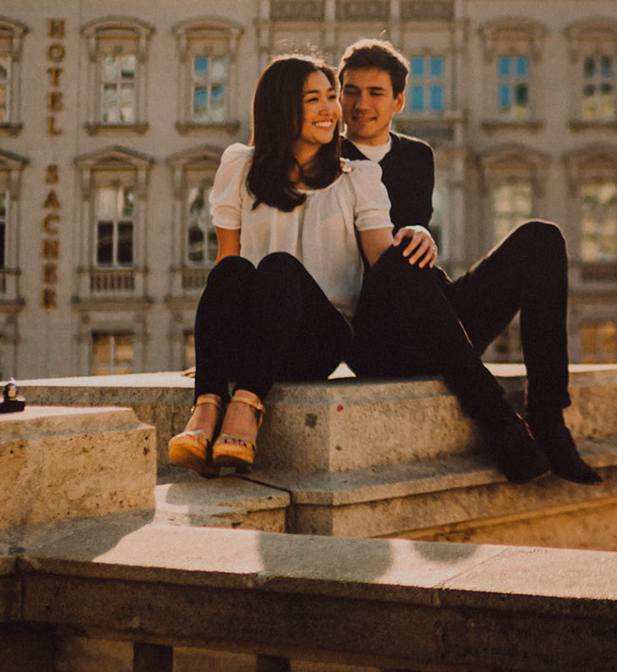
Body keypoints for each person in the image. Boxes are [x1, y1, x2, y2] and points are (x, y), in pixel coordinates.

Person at [169, 53, 567, 484]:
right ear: (280, 107)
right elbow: (227, 263)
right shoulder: (239, 167)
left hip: (324, 336)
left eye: (330, 97)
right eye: (315, 99)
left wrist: (413, 239)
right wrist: (216, 352)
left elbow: (387, 268)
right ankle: (205, 411)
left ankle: (246, 412)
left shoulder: (357, 176)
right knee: (237, 271)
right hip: (262, 333)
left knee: (294, 265)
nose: (331, 109)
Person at [336, 38, 600, 484]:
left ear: (398, 101)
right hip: (375, 337)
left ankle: (548, 418)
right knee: (403, 257)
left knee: (541, 239)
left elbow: (412, 235)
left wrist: (420, 233)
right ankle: (498, 420)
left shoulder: (417, 156)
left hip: (439, 324)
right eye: (351, 91)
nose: (361, 104)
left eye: (375, 92)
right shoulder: (326, 161)